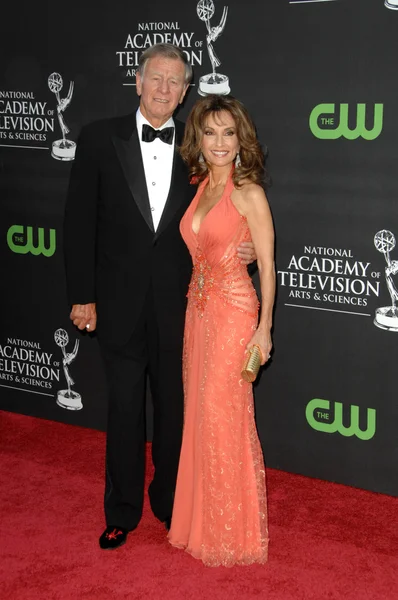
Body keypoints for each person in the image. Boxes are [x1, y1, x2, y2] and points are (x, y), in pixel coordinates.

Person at [63, 44, 256, 550]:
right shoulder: (99, 137)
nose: (165, 90)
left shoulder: (198, 147)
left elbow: (228, 203)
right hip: (118, 303)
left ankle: (173, 505)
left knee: (175, 411)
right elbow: (79, 223)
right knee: (124, 410)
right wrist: (82, 295)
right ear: (138, 80)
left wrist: (247, 245)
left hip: (185, 306)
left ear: (186, 91)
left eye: (175, 82)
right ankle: (121, 511)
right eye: (157, 79)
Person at [168, 94, 275, 567]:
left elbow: (269, 268)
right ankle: (197, 523)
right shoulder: (198, 187)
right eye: (210, 132)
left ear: (240, 140)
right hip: (197, 313)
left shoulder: (249, 192)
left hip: (234, 313)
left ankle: (232, 533)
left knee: (222, 414)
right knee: (199, 414)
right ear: (199, 138)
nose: (218, 142)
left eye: (228, 133)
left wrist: (264, 329)